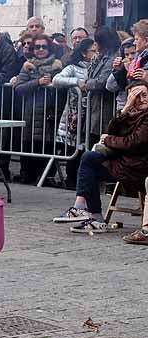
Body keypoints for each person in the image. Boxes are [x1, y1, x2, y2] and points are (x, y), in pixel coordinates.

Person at [54, 82, 148, 232]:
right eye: (136, 97)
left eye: (144, 95)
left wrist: (108, 139)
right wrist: (125, 109)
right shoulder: (130, 114)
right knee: (89, 159)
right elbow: (112, 130)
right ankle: (91, 215)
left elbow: (134, 142)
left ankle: (84, 211)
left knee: (90, 162)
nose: (142, 99)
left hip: (139, 167)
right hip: (126, 163)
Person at [12, 34, 63, 183]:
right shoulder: (28, 66)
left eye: (44, 47)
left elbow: (64, 87)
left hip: (51, 111)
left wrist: (54, 83)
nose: (40, 49)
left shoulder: (57, 66)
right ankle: (27, 174)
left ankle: (48, 176)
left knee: (48, 144)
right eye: (37, 47)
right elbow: (19, 88)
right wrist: (37, 82)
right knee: (28, 143)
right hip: (31, 111)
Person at [85, 26, 122, 141]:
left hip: (105, 106)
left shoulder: (114, 57)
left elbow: (102, 82)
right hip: (96, 106)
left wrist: (86, 84)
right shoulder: (101, 56)